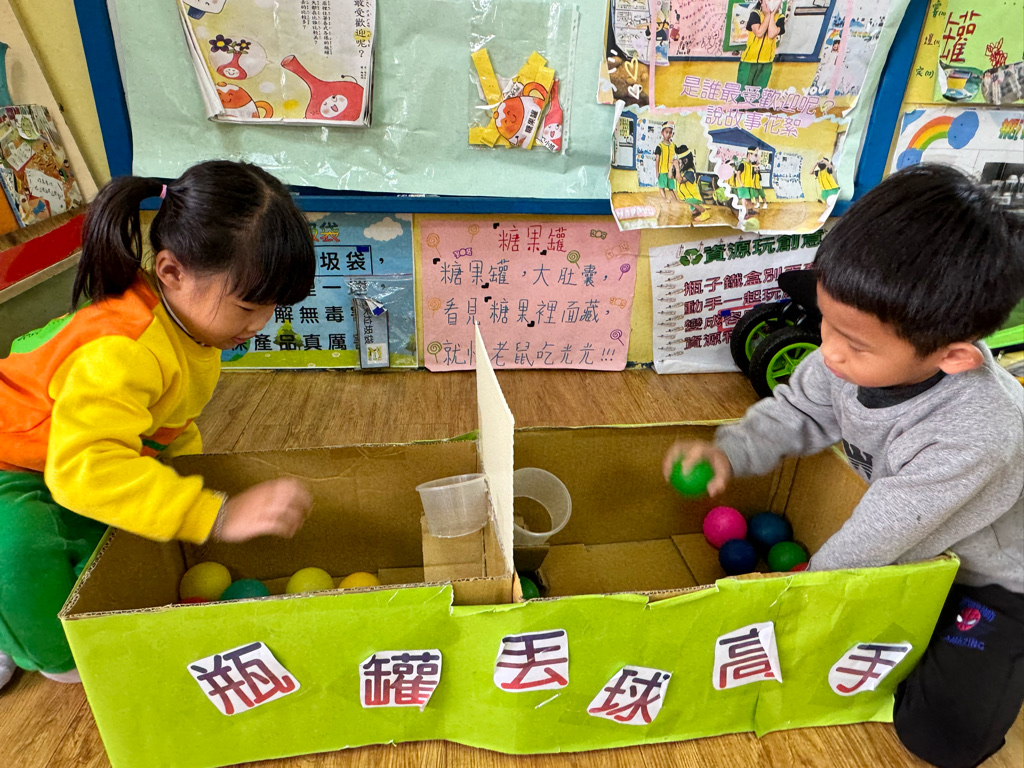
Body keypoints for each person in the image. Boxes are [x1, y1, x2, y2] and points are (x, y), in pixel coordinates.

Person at [664, 164, 1024, 768]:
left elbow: (884, 529)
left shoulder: (977, 429)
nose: (828, 352)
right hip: (916, 549)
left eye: (855, 344)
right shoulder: (845, 357)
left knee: (942, 739)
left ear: (954, 356)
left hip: (992, 578)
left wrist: (796, 591)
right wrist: (730, 450)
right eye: (827, 321)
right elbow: (797, 410)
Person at [0, 160, 317, 690]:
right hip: (13, 459)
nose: (260, 324)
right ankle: (33, 646)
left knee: (121, 547)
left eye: (271, 308)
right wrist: (214, 514)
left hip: (66, 455)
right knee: (21, 555)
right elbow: (83, 470)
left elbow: (166, 426)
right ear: (171, 272)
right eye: (247, 305)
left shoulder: (196, 331)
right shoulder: (122, 351)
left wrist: (194, 488)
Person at [737, 0, 786, 94]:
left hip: (766, 62)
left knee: (757, 93)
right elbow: (759, 32)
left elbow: (771, 34)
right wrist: (767, 15)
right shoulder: (755, 13)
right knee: (742, 92)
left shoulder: (780, 17)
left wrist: (772, 15)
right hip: (749, 60)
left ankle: (754, 104)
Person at [671, 146, 711, 222]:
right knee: (692, 210)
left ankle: (704, 212)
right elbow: (670, 176)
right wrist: (672, 166)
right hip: (686, 196)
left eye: (679, 161)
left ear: (685, 160)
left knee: (690, 201)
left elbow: (680, 180)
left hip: (693, 196)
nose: (678, 163)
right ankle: (697, 208)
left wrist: (677, 168)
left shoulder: (690, 172)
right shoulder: (681, 171)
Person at [654, 124, 679, 200]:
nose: (668, 135)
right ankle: (665, 199)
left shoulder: (673, 146)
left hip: (670, 171)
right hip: (662, 170)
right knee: (662, 187)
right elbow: (657, 160)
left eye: (670, 132)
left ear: (672, 134)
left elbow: (677, 155)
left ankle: (675, 199)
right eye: (666, 132)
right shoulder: (659, 146)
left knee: (671, 187)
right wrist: (657, 171)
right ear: (662, 133)